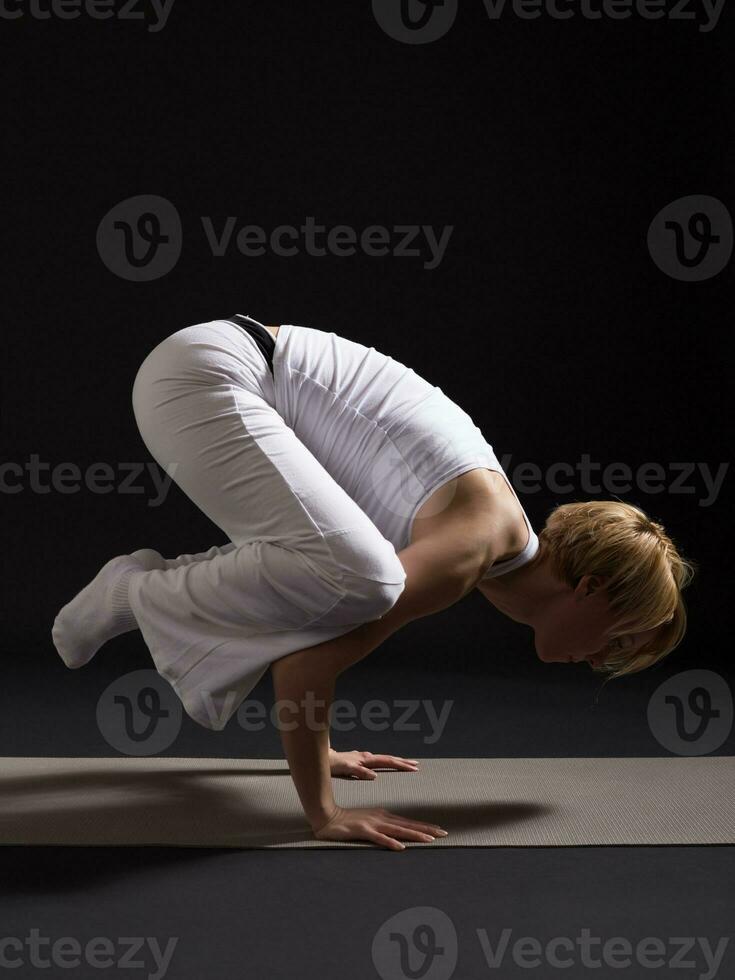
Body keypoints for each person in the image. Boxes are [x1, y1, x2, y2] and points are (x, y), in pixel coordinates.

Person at [52, 314, 695, 850]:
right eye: (619, 637)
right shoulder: (469, 550)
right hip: (205, 374)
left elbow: (316, 618)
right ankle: (133, 592)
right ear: (590, 590)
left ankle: (142, 590)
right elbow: (305, 666)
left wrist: (320, 749)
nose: (605, 659)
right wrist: (324, 813)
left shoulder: (487, 540)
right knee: (364, 578)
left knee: (339, 577)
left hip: (213, 368)